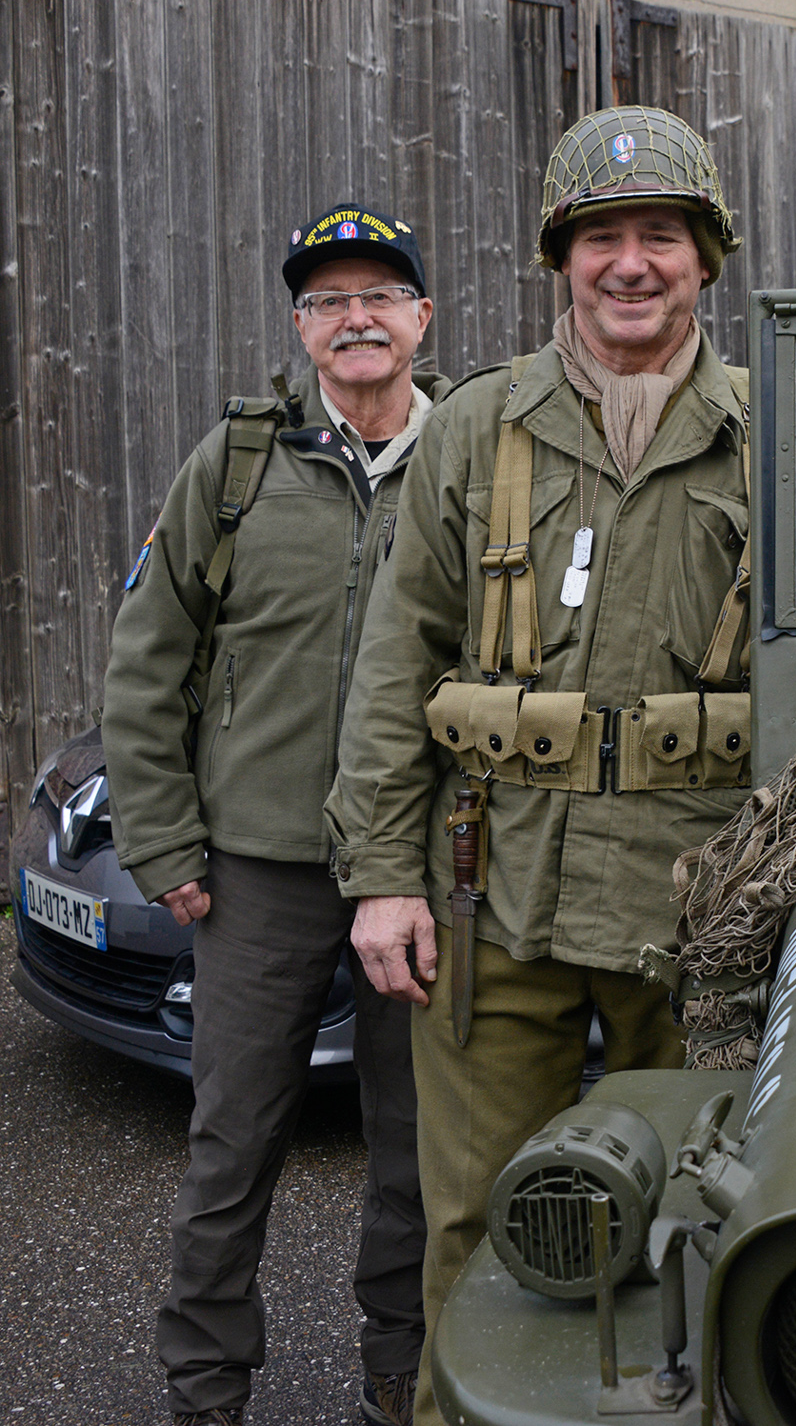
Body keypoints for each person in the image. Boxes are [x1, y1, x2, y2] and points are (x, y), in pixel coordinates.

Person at [324, 107, 756, 1426]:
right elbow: (398, 660)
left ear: (705, 258)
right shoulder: (477, 432)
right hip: (490, 892)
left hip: (699, 907)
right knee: (474, 1217)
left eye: (661, 237)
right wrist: (383, 873)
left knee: (705, 1219)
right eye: (601, 238)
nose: (631, 264)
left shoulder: (771, 434)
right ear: (560, 259)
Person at [102, 204, 444, 1426]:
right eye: (326, 301)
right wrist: (162, 838)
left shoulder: (472, 456)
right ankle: (202, 1393)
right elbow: (148, 657)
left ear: (420, 315)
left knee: (416, 1153)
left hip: (420, 867)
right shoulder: (239, 463)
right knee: (230, 1146)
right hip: (258, 872)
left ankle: (401, 1378)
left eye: (378, 295)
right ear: (302, 329)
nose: (355, 318)